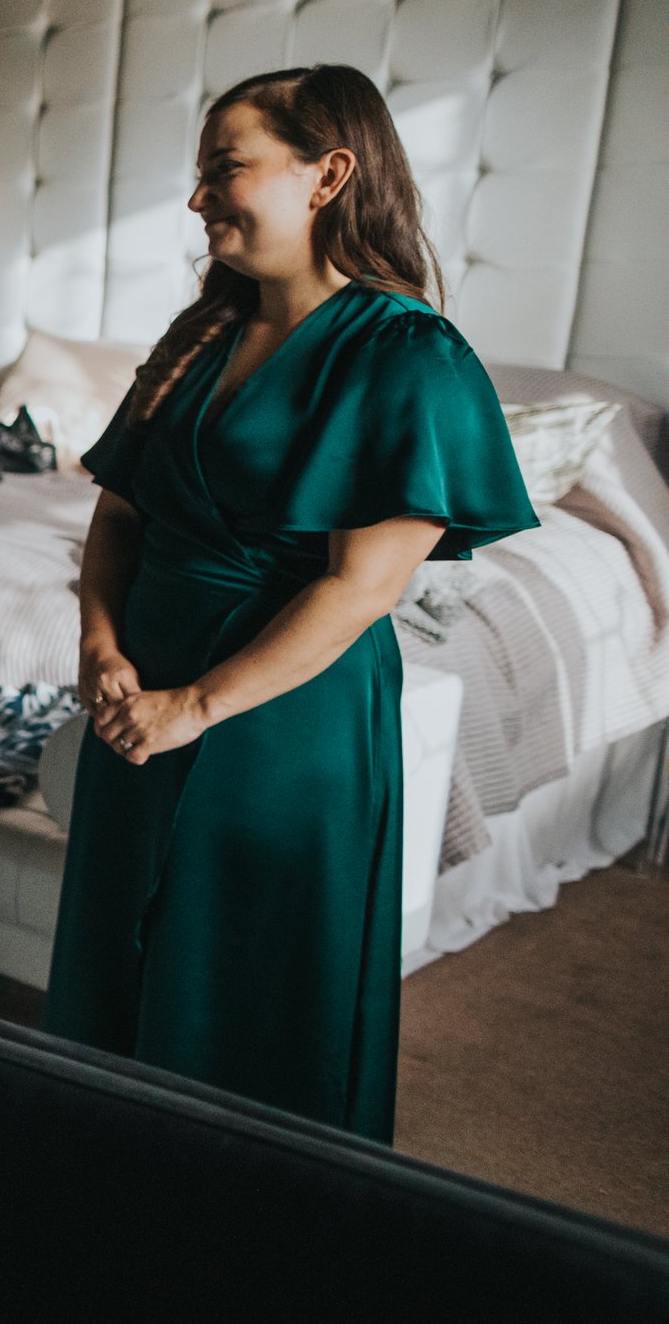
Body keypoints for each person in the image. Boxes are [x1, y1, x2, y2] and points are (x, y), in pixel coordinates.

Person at [47, 64, 536, 1140]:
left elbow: (360, 586)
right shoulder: (196, 337)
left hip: (277, 718)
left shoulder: (407, 355)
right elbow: (121, 514)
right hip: (136, 701)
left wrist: (194, 707)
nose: (197, 200)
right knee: (117, 965)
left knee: (243, 992)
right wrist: (99, 641)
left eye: (225, 168)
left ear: (329, 174)